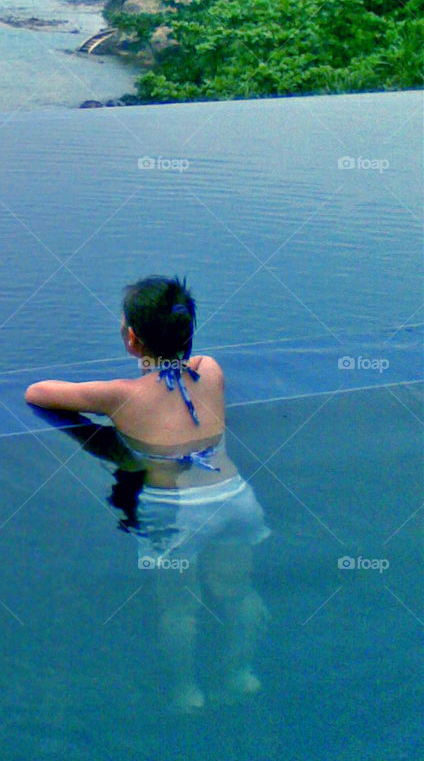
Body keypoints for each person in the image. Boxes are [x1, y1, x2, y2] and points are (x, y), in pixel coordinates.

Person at [25, 275, 269, 712]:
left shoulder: (121, 397)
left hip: (174, 512)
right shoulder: (211, 371)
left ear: (132, 340)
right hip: (232, 497)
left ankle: (185, 692)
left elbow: (38, 393)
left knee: (180, 610)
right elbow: (179, 384)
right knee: (239, 593)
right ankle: (241, 673)